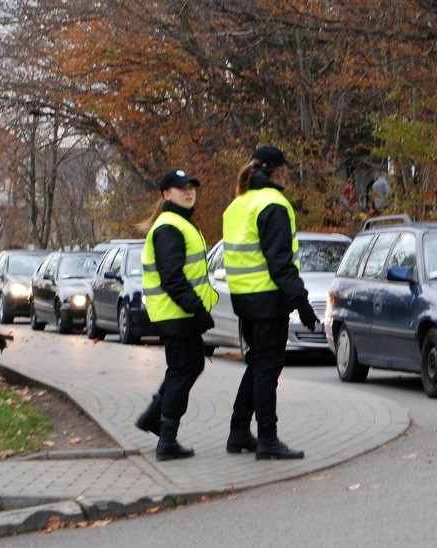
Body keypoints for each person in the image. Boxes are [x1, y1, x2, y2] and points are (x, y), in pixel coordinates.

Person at [221, 145, 318, 460]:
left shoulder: (239, 203)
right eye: (285, 169)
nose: (288, 174)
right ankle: (268, 439)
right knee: (267, 370)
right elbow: (280, 262)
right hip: (267, 300)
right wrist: (301, 301)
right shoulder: (273, 204)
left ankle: (238, 432)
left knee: (256, 366)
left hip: (245, 299)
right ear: (277, 170)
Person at [135, 168, 218, 461]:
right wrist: (196, 310)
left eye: (191, 187)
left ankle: (152, 417)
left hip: (178, 313)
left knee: (191, 366)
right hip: (176, 314)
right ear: (166, 194)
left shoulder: (180, 223)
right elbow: (172, 277)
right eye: (181, 187)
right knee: (182, 371)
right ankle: (166, 440)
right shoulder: (169, 227)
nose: (189, 191)